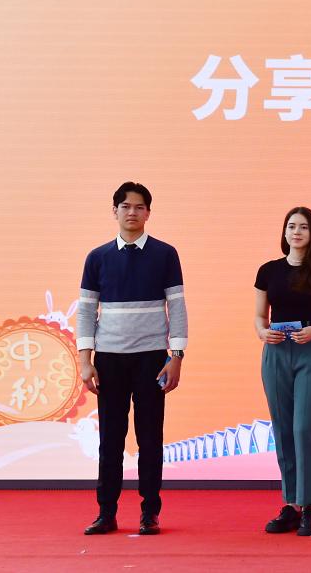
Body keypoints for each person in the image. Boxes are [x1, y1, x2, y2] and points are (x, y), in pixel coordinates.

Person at [76, 181, 188, 536]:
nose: (132, 212)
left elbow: (177, 307)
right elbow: (85, 312)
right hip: (109, 359)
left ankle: (149, 513)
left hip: (152, 359)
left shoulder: (165, 254)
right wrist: (85, 361)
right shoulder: (97, 258)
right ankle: (106, 513)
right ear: (115, 211)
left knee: (150, 438)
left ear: (148, 213)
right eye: (125, 206)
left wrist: (176, 355)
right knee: (110, 440)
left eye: (139, 207)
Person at [254, 207, 311, 537]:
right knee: (282, 429)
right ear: (284, 232)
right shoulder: (268, 271)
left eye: (303, 227)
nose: (296, 232)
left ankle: (307, 506)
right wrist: (263, 332)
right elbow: (259, 317)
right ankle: (290, 505)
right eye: (291, 226)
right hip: (277, 352)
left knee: (305, 427)